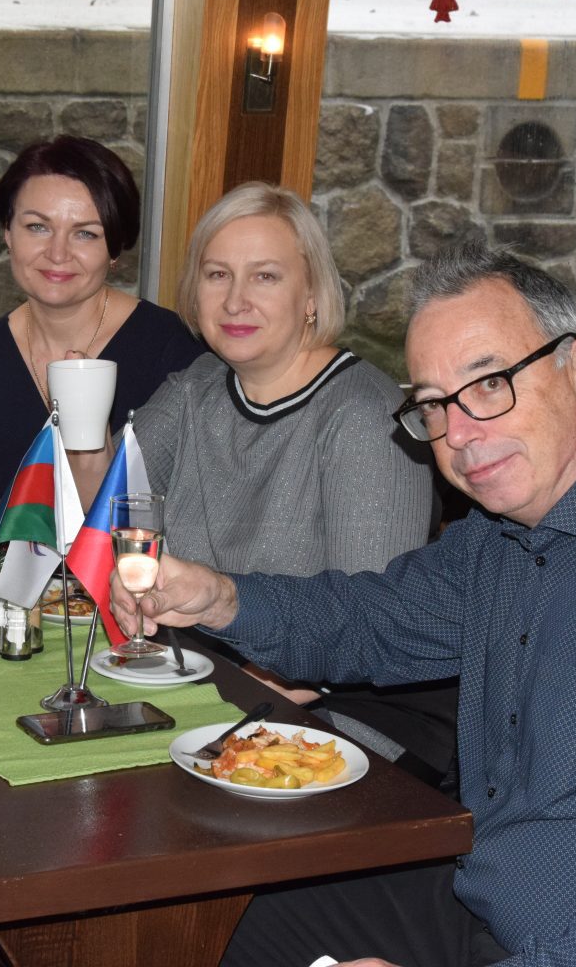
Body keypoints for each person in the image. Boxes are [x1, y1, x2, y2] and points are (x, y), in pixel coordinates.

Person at [113, 246, 576, 966]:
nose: (462, 433)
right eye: (434, 405)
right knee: (233, 917)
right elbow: (371, 620)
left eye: (490, 383)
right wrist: (220, 597)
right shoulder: (508, 535)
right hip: (499, 908)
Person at [131, 181, 452, 773]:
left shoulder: (364, 416)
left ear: (312, 296)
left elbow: (364, 631)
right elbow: (108, 509)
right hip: (204, 676)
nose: (235, 301)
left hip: (338, 712)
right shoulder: (196, 385)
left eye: (265, 276)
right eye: (217, 275)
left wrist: (203, 717)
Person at [0, 135, 207, 510]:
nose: (58, 253)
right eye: (37, 227)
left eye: (85, 233)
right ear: (8, 233)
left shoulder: (176, 351)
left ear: (115, 250)